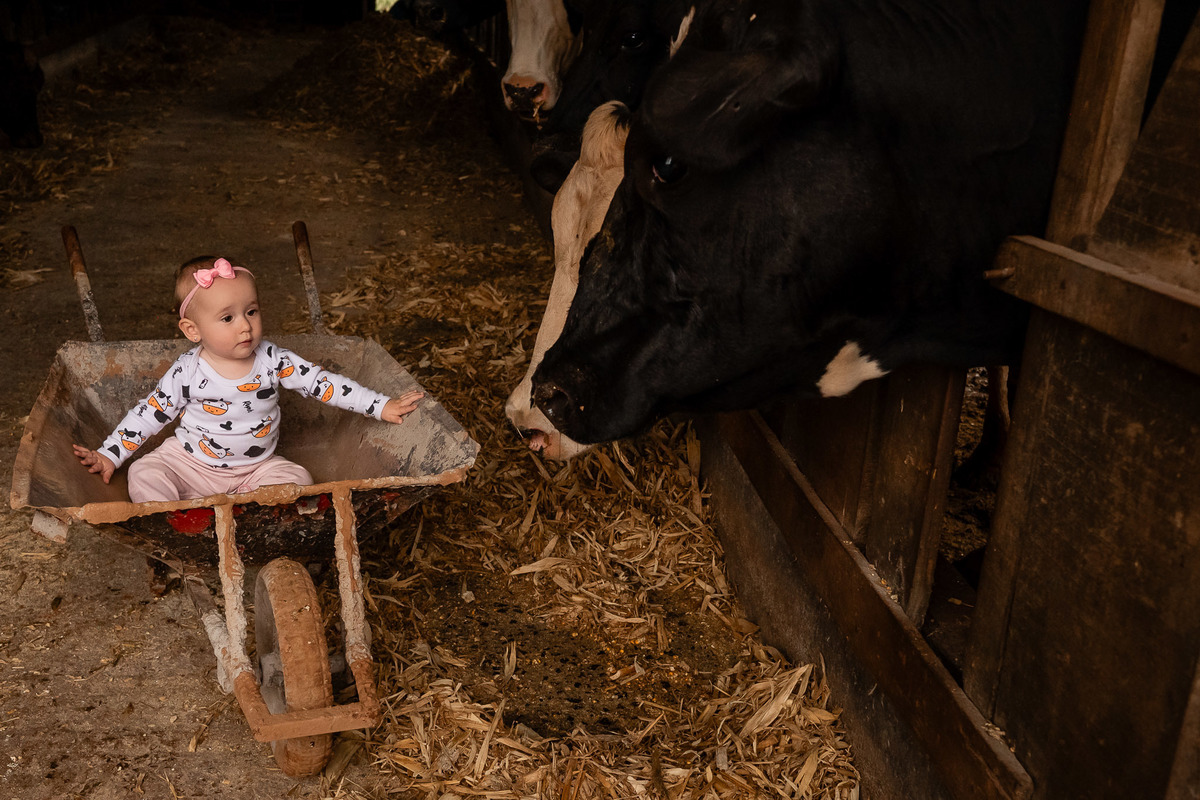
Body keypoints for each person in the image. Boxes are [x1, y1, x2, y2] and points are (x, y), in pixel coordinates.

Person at [73, 255, 424, 503]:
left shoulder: (273, 360)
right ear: (193, 330)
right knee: (144, 473)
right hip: (190, 464)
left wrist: (380, 406)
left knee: (298, 480)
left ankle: (244, 507)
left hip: (256, 470)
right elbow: (148, 414)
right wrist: (110, 455)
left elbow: (324, 384)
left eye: (251, 311)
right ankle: (179, 518)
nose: (245, 325)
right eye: (227, 318)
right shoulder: (187, 372)